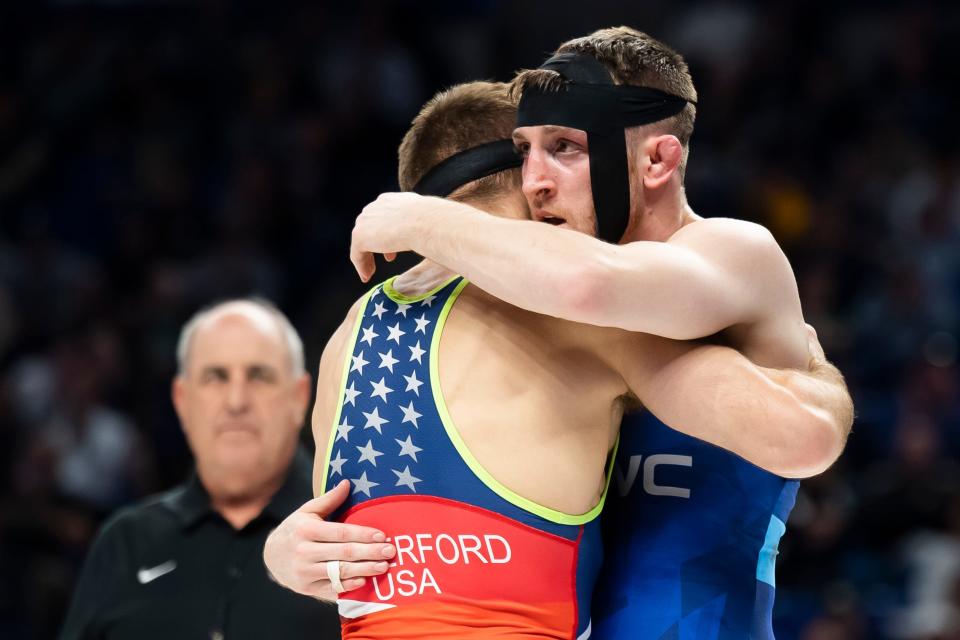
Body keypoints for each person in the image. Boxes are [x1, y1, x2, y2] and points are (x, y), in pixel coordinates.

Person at [264, 80, 851, 639]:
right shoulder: (578, 317)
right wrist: (809, 362)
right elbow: (800, 434)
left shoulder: (348, 336)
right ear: (532, 182)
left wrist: (278, 553)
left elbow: (350, 555)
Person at [59, 299, 341, 640]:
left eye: (259, 376)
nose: (236, 401)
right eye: (215, 377)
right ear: (182, 400)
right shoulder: (126, 543)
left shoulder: (352, 530)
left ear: (299, 397)